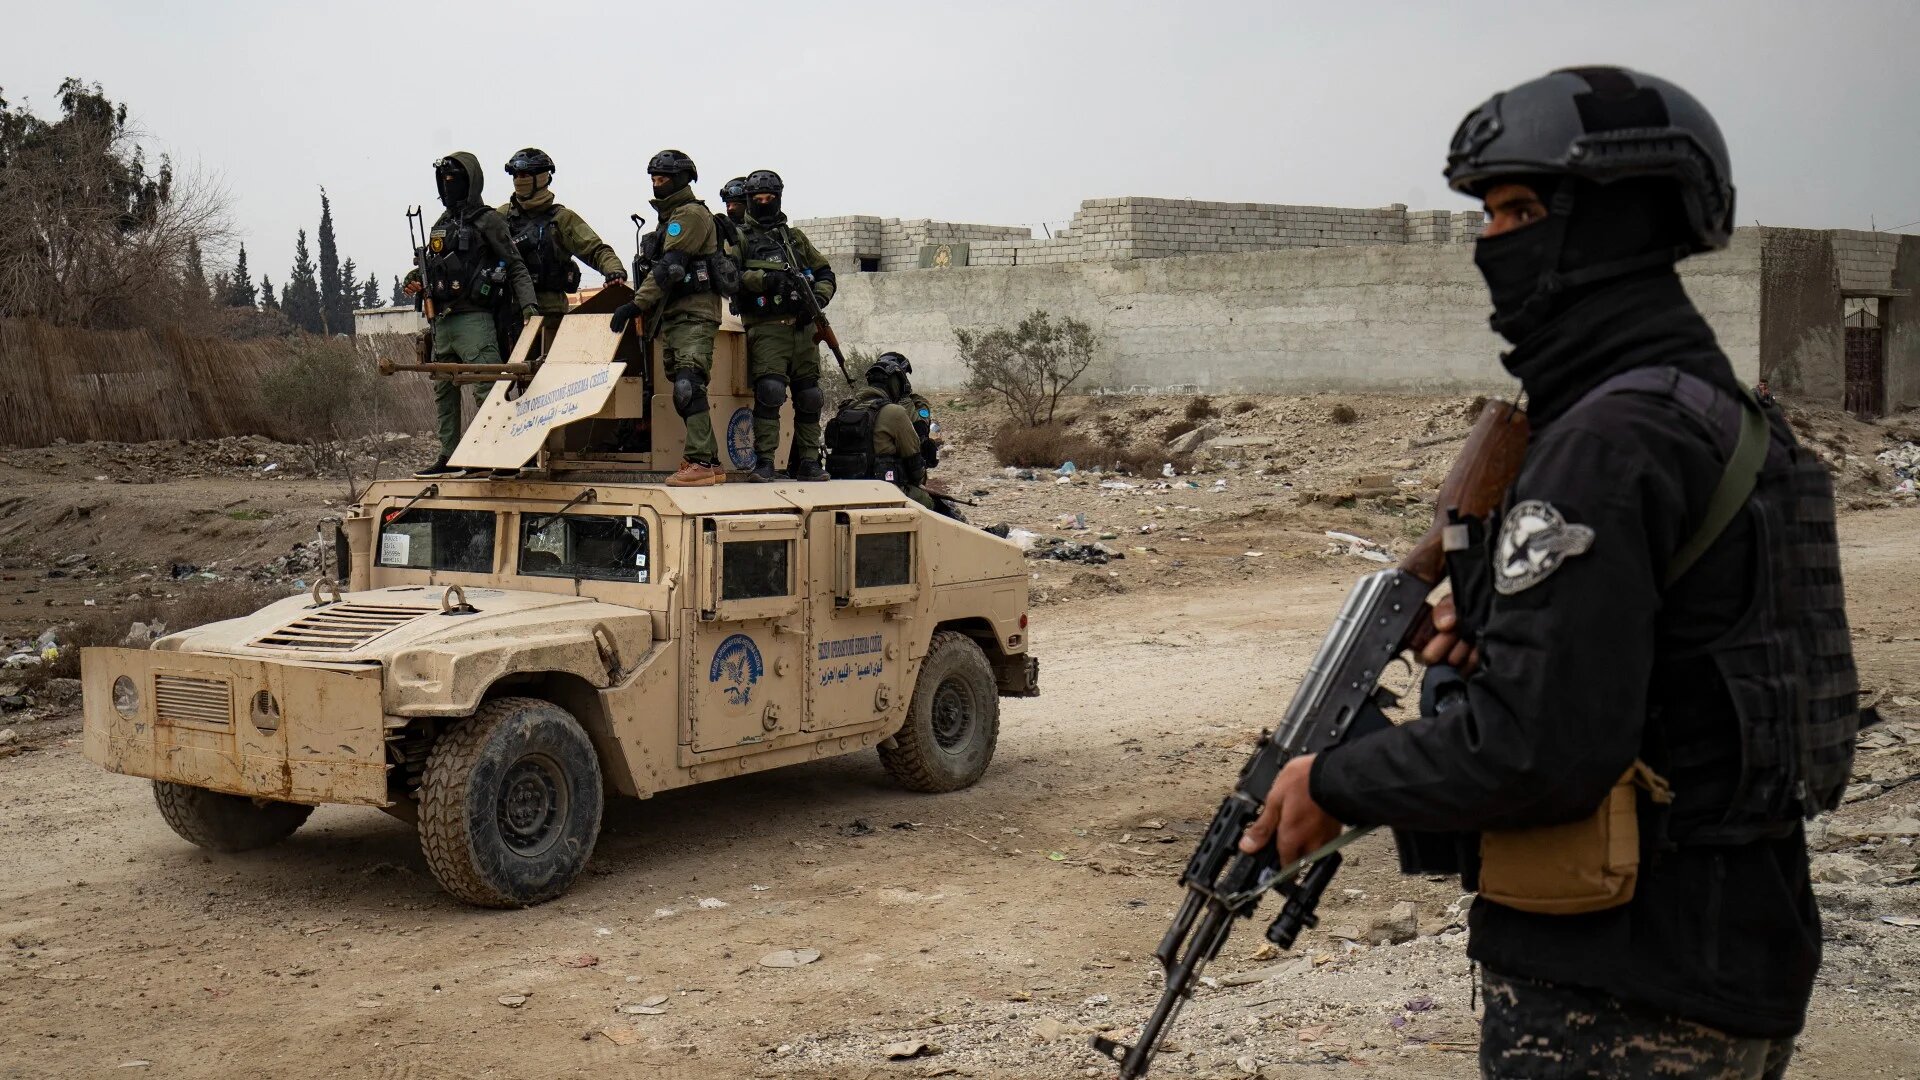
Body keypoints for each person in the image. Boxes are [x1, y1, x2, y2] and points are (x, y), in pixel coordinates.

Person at [1238, 67, 1862, 1079]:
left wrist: (1335, 779)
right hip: (1731, 944)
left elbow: (1537, 749)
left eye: (1522, 210)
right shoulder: (1719, 414)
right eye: (1489, 214)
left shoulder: (1605, 445)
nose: (1495, 245)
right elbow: (1672, 681)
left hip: (1625, 983)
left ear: (1620, 222)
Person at [410, 151, 537, 479]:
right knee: (443, 389)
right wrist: (415, 281)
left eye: (454, 179)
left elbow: (515, 264)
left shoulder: (488, 220)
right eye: (444, 180)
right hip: (443, 321)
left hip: (476, 319)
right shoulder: (440, 225)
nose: (447, 185)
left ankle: (503, 454)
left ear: (470, 181)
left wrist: (530, 309)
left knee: (488, 388)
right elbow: (431, 270)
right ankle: (449, 454)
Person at [607, 150, 729, 487]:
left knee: (689, 385)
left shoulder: (689, 216)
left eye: (663, 179)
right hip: (674, 315)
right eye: (654, 179)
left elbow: (671, 267)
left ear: (681, 180)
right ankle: (711, 461)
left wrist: (636, 304)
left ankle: (701, 462)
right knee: (682, 385)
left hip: (694, 312)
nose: (657, 185)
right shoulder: (669, 218)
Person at [735, 169, 836, 481]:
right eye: (757, 199)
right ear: (749, 200)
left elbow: (825, 273)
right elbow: (729, 277)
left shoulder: (793, 238)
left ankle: (808, 461)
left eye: (770, 198)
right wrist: (766, 280)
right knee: (770, 391)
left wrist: (818, 300)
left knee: (810, 396)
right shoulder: (739, 238)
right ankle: (765, 461)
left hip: (803, 327)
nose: (764, 203)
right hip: (766, 327)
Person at [498, 147, 627, 321]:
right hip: (506, 311)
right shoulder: (501, 216)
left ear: (542, 178)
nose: (519, 181)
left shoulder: (562, 219)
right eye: (516, 176)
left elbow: (596, 250)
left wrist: (614, 271)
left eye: (525, 175)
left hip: (549, 314)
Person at [824, 354, 945, 513]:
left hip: (844, 489)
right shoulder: (895, 412)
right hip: (881, 492)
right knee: (926, 502)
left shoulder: (846, 410)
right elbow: (915, 468)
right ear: (895, 384)